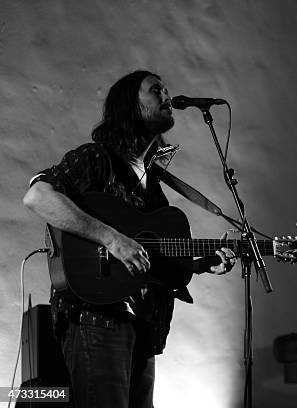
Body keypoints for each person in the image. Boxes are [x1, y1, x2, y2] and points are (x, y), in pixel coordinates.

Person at [22, 70, 236, 408]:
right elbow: (38, 196)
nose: (167, 96)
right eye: (156, 90)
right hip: (97, 319)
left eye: (166, 90)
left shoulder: (153, 185)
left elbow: (145, 259)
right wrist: (111, 238)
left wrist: (200, 264)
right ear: (130, 107)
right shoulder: (97, 158)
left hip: (143, 327)